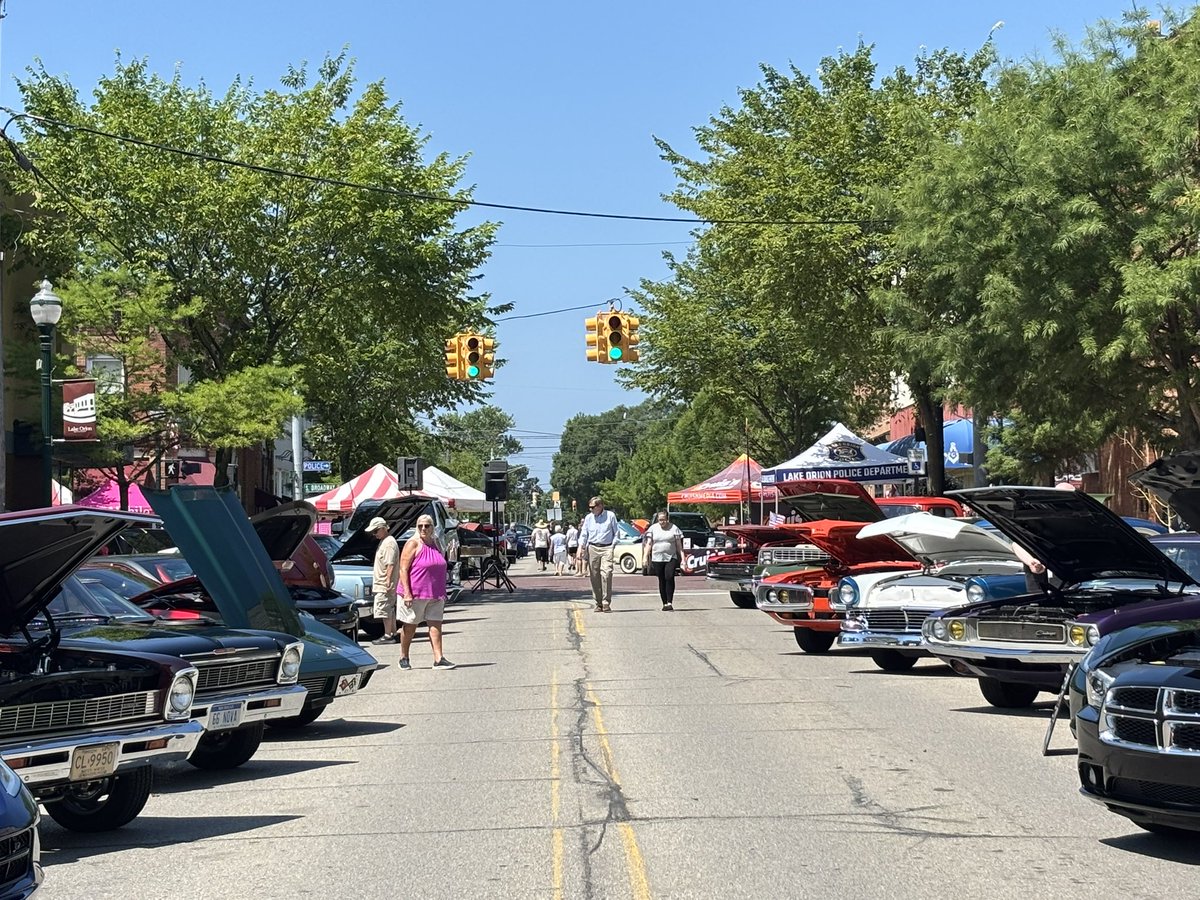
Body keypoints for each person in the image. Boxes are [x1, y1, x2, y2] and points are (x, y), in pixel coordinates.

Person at [397, 513, 455, 670]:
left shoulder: (436, 543)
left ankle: (438, 658)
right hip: (415, 593)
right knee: (410, 626)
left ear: (432, 528)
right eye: (420, 525)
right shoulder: (413, 544)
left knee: (436, 624)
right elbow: (403, 569)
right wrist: (407, 593)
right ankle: (404, 656)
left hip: (435, 593)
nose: (423, 528)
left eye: (427, 525)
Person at [579, 496, 619, 611]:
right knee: (594, 576)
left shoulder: (610, 516)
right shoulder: (589, 518)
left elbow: (616, 532)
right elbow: (584, 534)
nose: (591, 509)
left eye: (593, 507)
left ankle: (606, 602)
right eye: (590, 507)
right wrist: (581, 547)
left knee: (607, 573)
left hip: (607, 547)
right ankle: (598, 602)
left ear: (600, 506)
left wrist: (612, 546)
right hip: (593, 547)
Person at [643, 510, 685, 611]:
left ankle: (670, 602)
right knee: (661, 579)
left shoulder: (674, 528)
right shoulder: (653, 528)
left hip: (671, 556)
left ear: (667, 519)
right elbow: (649, 543)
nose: (662, 522)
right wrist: (645, 557)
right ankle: (665, 603)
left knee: (669, 576)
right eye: (660, 520)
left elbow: (679, 546)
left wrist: (683, 559)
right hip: (657, 558)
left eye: (664, 520)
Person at [369, 516, 400, 644]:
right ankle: (393, 632)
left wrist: (388, 581)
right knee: (389, 608)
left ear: (383, 528)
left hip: (384, 583)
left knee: (384, 609)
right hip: (383, 582)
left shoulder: (388, 543)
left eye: (375, 531)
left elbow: (390, 564)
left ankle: (388, 635)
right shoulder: (386, 541)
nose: (374, 534)